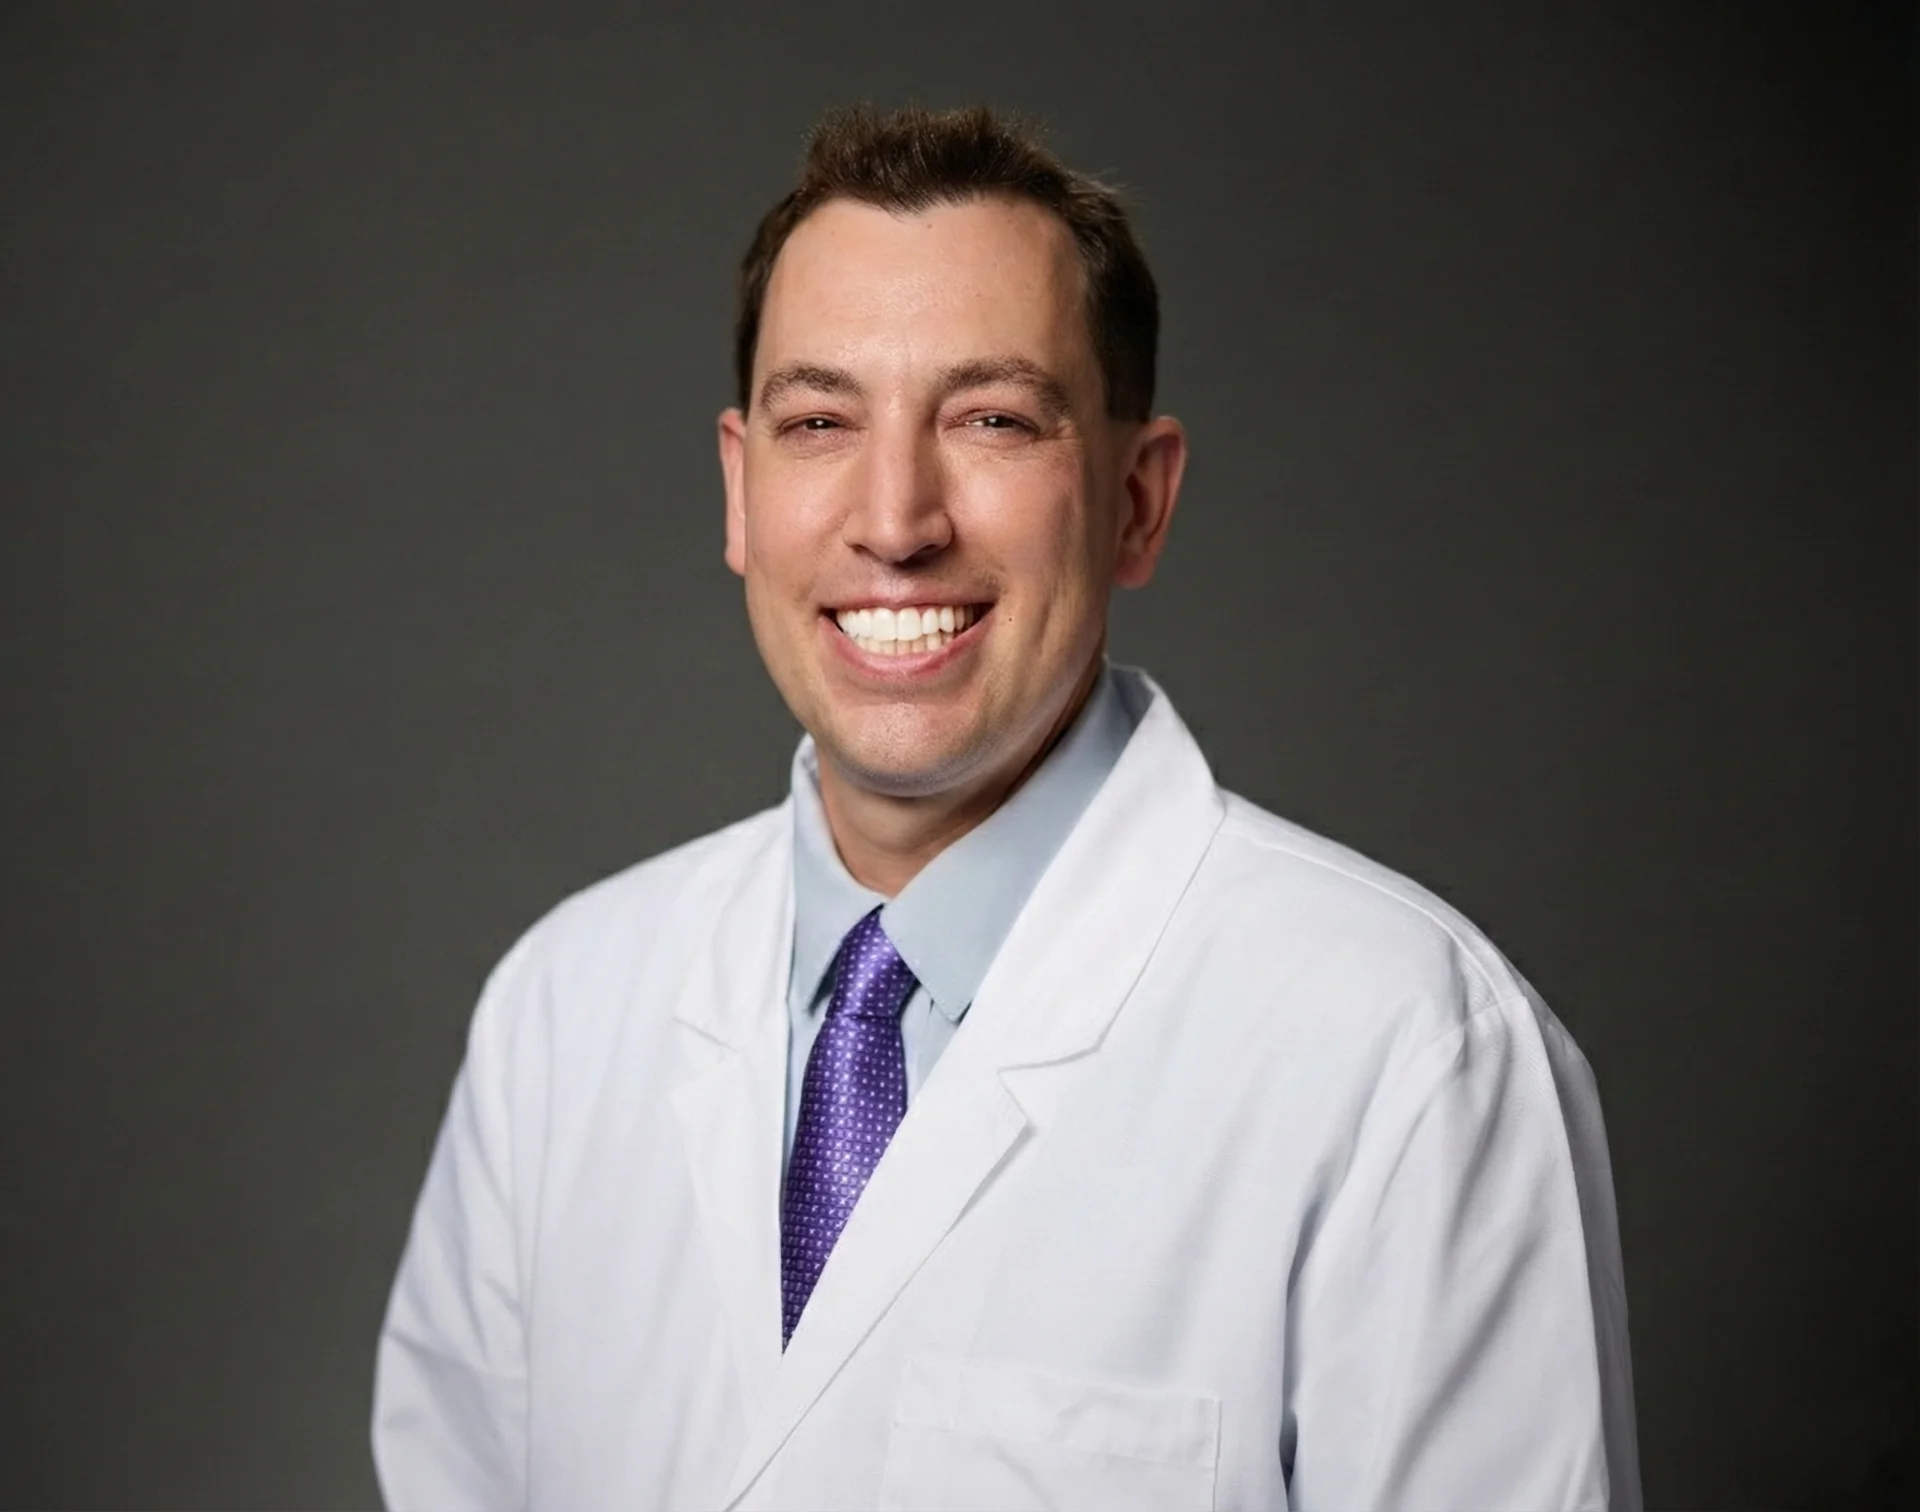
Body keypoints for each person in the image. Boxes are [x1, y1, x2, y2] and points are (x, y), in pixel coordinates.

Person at [371, 104, 1641, 1511]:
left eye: (992, 420)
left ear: (1137, 502)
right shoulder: (560, 1014)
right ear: (739, 490)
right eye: (819, 422)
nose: (896, 518)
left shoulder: (1405, 1053)